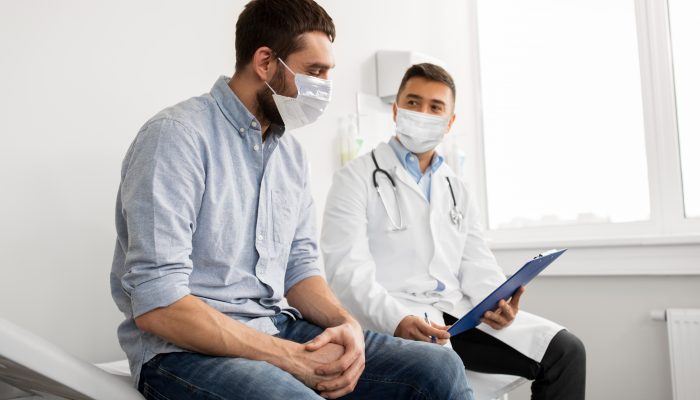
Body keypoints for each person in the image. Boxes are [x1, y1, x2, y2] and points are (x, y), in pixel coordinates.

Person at [109, 1, 474, 399]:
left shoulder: (290, 156)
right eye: (315, 71)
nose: (324, 87)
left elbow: (299, 269)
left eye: (328, 73)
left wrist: (346, 323)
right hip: (181, 352)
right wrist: (288, 357)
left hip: (274, 325)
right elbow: (159, 303)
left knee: (438, 367)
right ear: (265, 62)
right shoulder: (177, 137)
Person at [321, 63, 586, 400]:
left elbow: (476, 262)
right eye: (413, 103)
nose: (422, 113)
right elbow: (346, 274)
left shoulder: (456, 188)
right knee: (441, 374)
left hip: (456, 316)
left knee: (566, 352)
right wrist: (397, 319)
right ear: (395, 110)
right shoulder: (354, 178)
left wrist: (499, 301)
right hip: (393, 319)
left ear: (450, 121)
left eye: (435, 107)